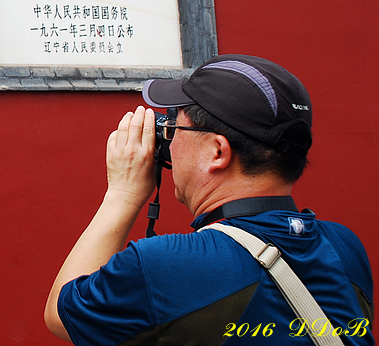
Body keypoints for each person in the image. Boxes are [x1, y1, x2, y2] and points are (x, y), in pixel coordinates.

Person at [44, 54, 373, 345]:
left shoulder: (166, 266)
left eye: (175, 127)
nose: (168, 142)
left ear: (217, 152)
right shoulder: (345, 247)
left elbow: (62, 314)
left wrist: (122, 193)